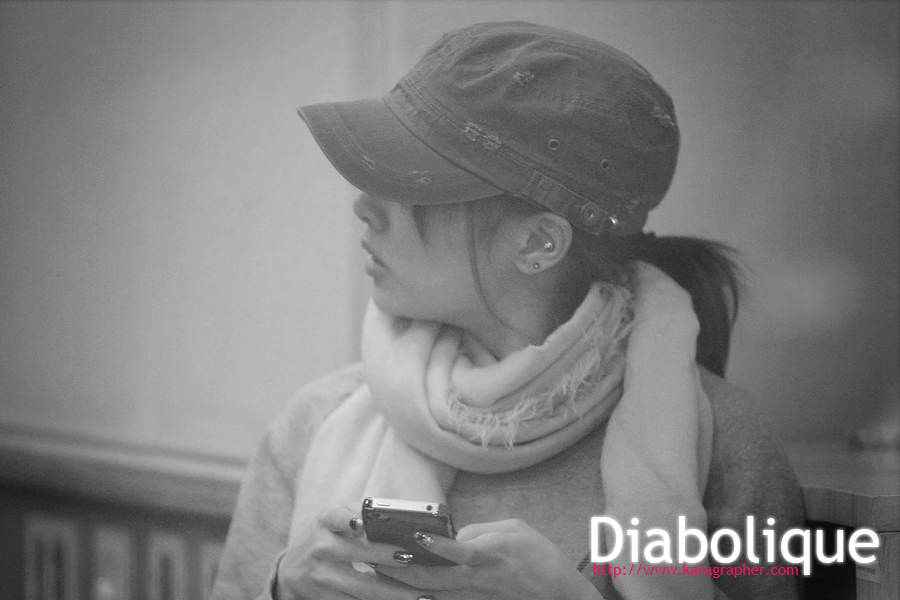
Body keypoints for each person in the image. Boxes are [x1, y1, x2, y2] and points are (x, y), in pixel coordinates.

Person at [212, 21, 804, 600]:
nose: (365, 207)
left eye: (413, 181)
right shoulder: (317, 422)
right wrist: (284, 586)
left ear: (538, 243)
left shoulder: (722, 441)